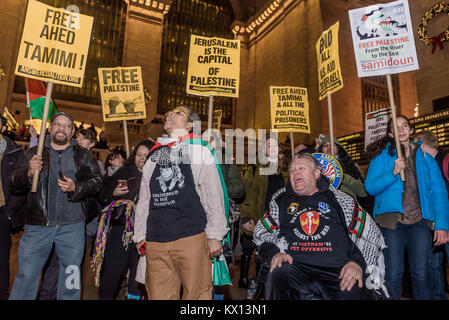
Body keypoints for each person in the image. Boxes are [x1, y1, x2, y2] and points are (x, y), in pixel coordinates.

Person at [253, 153, 388, 300]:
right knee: (278, 275)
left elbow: (369, 235)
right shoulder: (281, 199)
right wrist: (274, 254)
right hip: (294, 267)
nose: (295, 172)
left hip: (337, 270)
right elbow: (262, 232)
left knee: (354, 287)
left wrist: (357, 263)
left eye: (301, 168)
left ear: (317, 173)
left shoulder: (341, 200)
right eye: (292, 170)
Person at [133, 106, 229, 300]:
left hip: (191, 238)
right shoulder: (153, 156)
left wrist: (215, 236)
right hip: (156, 241)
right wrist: (140, 235)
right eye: (169, 112)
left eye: (178, 113)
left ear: (190, 124)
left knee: (197, 296)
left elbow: (213, 194)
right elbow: (145, 199)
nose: (170, 114)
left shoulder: (199, 150)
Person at [8, 112, 103, 300]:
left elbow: (98, 182)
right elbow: (12, 182)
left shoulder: (84, 155)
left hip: (73, 226)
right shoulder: (34, 153)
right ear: (50, 128)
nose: (62, 129)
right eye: (58, 125)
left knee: (72, 276)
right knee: (27, 275)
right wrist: (28, 173)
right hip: (38, 225)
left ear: (73, 131)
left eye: (67, 126)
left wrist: (77, 186)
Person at [365, 115, 449, 300]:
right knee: (394, 275)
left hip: (420, 222)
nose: (401, 129)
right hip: (393, 223)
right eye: (396, 127)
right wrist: (392, 172)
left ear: (411, 130)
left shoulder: (425, 155)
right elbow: (370, 187)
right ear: (390, 133)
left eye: (405, 125)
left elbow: (439, 191)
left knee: (421, 275)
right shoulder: (382, 157)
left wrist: (442, 225)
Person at [38, 128, 105, 300]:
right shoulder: (65, 158)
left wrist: (77, 187)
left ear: (92, 144)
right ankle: (47, 295)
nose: (78, 141)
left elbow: (98, 194)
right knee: (52, 266)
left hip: (82, 225)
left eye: (83, 139)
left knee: (72, 269)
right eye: (77, 138)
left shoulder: (97, 167)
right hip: (59, 222)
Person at [93, 140, 153, 300]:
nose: (141, 158)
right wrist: (113, 193)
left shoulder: (156, 177)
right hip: (121, 231)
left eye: (146, 155)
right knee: (113, 271)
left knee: (138, 275)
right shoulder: (124, 172)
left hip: (145, 233)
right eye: (138, 154)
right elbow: (101, 193)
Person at [413, 130, 449, 300]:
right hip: (433, 224)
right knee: (434, 266)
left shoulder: (446, 160)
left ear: (422, 146)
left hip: (445, 221)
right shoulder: (424, 165)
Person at [0, 116, 26, 300]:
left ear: (2, 128)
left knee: (1, 259)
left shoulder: (13, 152)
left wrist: (9, 213)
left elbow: (21, 185)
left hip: (2, 212)